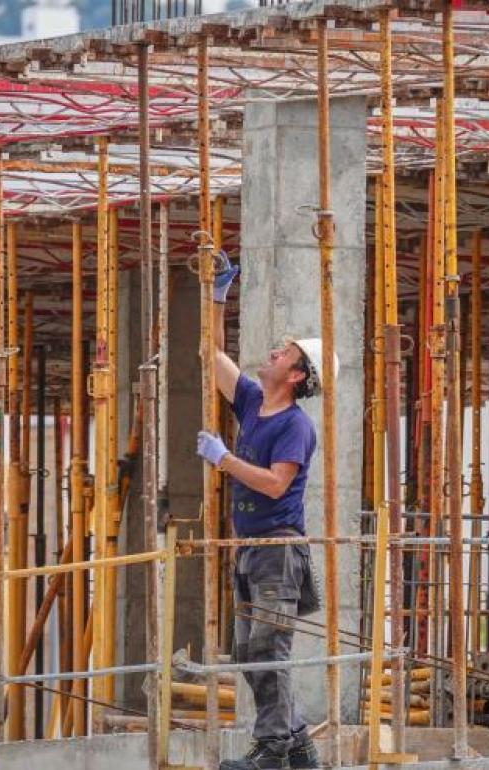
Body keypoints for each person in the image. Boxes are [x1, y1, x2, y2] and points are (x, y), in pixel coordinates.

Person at [194, 255, 330, 770]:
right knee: (251, 654)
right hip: (250, 549)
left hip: (277, 549)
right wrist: (216, 297)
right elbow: (211, 355)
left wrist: (224, 460)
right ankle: (296, 742)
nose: (272, 352)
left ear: (295, 375)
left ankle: (272, 753)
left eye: (283, 353)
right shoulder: (252, 402)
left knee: (269, 649)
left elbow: (277, 483)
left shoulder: (295, 425)